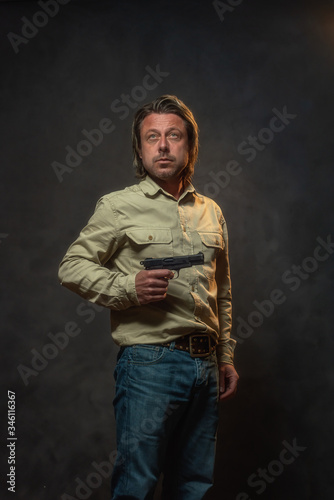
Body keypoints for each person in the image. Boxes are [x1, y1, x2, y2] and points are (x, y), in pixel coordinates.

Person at [58, 94, 239, 500]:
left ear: (189, 145)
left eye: (173, 135)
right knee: (136, 486)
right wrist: (128, 288)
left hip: (206, 365)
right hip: (149, 364)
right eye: (152, 136)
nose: (162, 145)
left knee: (193, 486)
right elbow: (71, 267)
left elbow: (222, 291)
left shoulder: (212, 211)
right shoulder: (119, 207)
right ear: (140, 149)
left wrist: (225, 356)